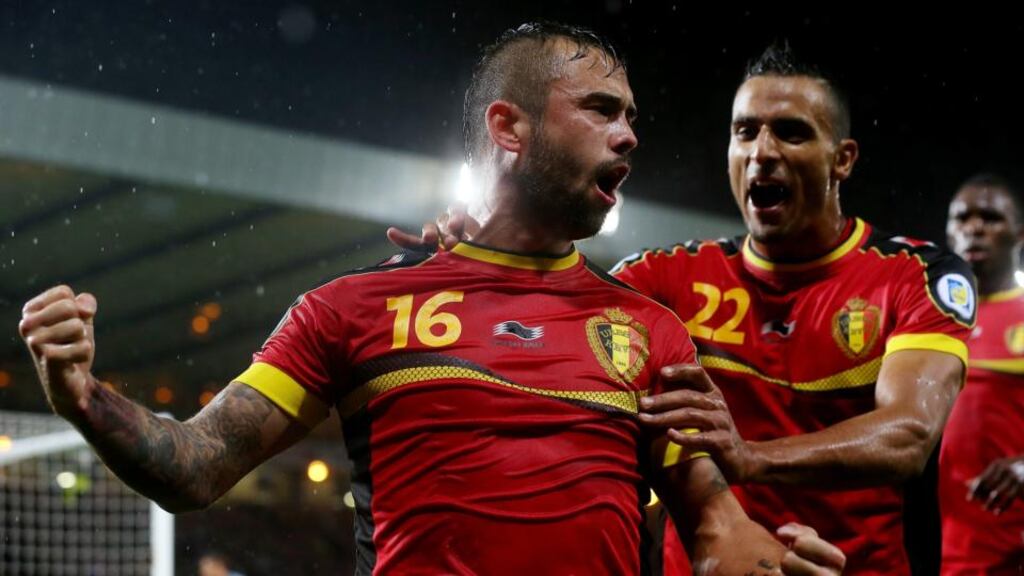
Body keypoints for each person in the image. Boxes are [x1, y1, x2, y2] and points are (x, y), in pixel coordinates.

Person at [18, 23, 842, 576]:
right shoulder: (349, 311)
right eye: (600, 111)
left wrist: (770, 557)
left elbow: (713, 525)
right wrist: (82, 396)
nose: (628, 134)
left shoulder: (650, 331)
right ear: (509, 129)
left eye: (630, 116)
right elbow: (194, 466)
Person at [396, 43, 975, 575]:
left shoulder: (914, 274)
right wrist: (476, 257)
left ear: (843, 159)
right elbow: (543, 318)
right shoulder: (666, 278)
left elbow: (909, 434)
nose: (761, 152)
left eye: (791, 133)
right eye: (745, 132)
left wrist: (752, 458)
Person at [940, 173, 1024, 574]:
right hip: (924, 550)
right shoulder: (926, 321)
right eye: (962, 218)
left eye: (990, 218)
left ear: (1019, 235)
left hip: (1005, 552)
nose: (973, 227)